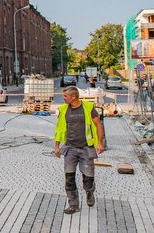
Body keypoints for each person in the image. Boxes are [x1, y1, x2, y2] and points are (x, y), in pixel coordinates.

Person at [54, 86, 105, 214]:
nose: (63, 98)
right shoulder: (63, 109)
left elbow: (98, 124)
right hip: (70, 148)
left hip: (86, 148)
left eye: (65, 96)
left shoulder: (88, 107)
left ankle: (89, 192)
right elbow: (59, 129)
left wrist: (100, 143)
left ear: (73, 97)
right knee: (69, 178)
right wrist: (56, 146)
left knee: (88, 178)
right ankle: (73, 204)